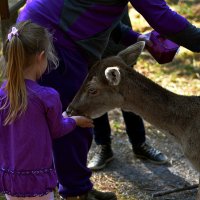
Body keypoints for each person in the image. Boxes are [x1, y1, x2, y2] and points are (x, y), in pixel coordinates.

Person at [17, 0, 200, 199]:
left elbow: (99, 10)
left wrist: (135, 37)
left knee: (72, 114)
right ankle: (75, 192)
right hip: (53, 37)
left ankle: (76, 187)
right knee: (74, 114)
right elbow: (162, 16)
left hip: (44, 26)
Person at [0, 21, 94, 200]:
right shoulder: (47, 96)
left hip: (10, 179)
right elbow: (57, 129)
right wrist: (74, 121)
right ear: (41, 57)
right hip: (37, 180)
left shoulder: (2, 95)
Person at [88, 9, 168, 171]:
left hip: (121, 44)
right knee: (95, 95)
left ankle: (139, 144)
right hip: (92, 46)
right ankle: (103, 146)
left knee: (129, 95)